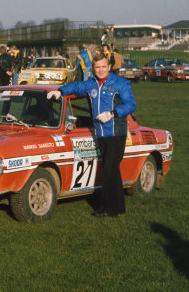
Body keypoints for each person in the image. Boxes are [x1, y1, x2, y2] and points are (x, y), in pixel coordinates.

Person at [48, 53, 136, 217]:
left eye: (104, 67)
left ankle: (107, 208)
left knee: (109, 170)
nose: (101, 70)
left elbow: (131, 105)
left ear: (109, 67)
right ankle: (118, 208)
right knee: (112, 170)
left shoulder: (121, 83)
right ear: (93, 68)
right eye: (97, 67)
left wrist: (112, 114)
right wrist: (60, 91)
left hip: (116, 133)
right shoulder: (91, 84)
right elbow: (75, 87)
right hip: (100, 134)